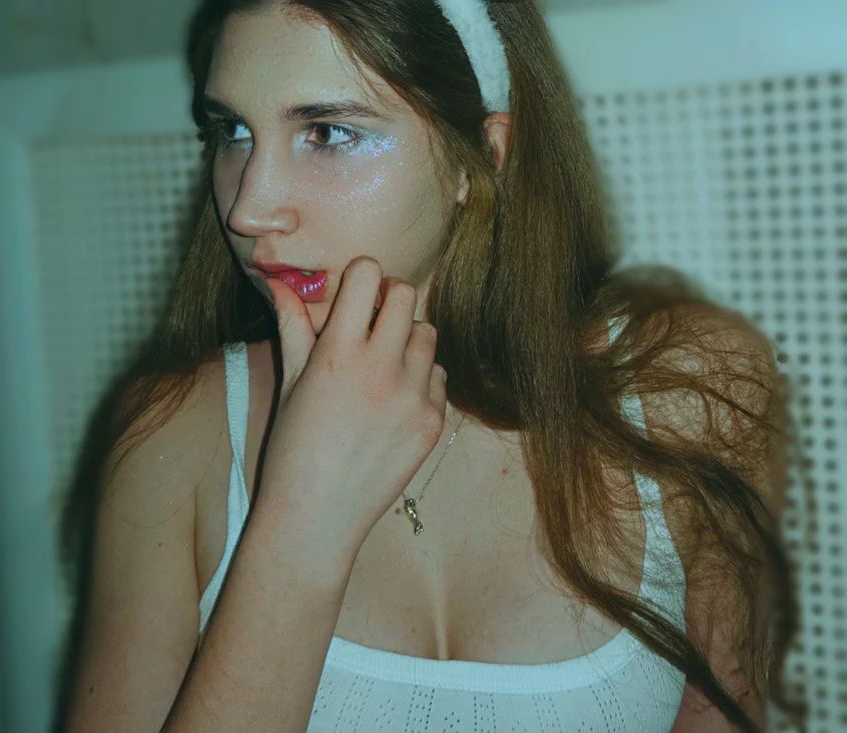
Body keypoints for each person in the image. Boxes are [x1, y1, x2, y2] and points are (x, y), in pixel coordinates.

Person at [54, 1, 808, 732]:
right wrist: (301, 523)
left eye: (328, 132)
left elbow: (724, 711)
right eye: (233, 131)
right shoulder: (170, 437)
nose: (249, 209)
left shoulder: (695, 389)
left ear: (480, 156)